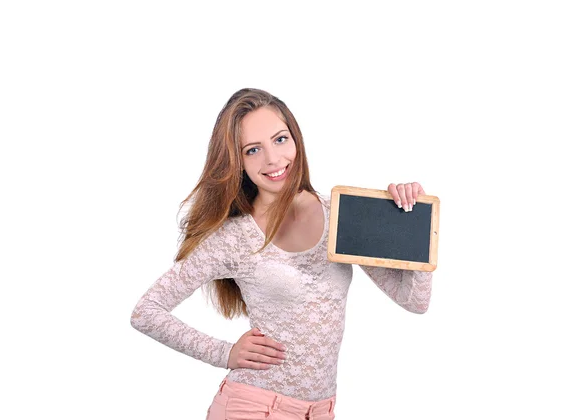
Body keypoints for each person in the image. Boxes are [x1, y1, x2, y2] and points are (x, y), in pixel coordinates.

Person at [130, 88, 433, 420]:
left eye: (279, 139)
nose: (272, 160)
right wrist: (225, 352)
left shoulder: (342, 216)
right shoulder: (235, 238)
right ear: (237, 161)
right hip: (253, 407)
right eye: (253, 150)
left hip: (320, 412)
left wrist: (414, 223)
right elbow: (145, 312)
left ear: (296, 140)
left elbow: (413, 300)